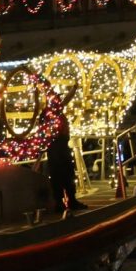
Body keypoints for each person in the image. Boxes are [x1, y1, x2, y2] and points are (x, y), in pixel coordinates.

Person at [42, 80, 87, 214]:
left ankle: (68, 201)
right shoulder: (49, 113)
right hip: (56, 146)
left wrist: (74, 88)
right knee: (60, 175)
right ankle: (62, 202)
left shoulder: (54, 111)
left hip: (60, 146)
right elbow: (46, 131)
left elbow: (66, 100)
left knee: (66, 174)